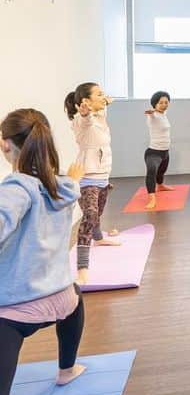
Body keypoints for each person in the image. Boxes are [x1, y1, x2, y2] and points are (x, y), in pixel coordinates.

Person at [0, 109, 89, 395]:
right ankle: (66, 369)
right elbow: (68, 183)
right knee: (77, 302)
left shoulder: (16, 189)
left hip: (14, 311)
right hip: (60, 298)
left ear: (6, 145)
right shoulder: (61, 186)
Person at [64, 82, 119, 287]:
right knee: (89, 216)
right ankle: (82, 270)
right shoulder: (80, 121)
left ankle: (99, 238)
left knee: (98, 213)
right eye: (99, 94)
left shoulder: (101, 116)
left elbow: (99, 114)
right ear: (85, 101)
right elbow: (85, 122)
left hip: (103, 176)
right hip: (87, 179)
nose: (103, 96)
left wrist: (104, 105)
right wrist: (86, 113)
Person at [142, 91, 174, 210]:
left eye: (166, 102)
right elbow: (152, 113)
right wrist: (151, 112)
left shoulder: (164, 113)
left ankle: (160, 186)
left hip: (165, 152)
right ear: (154, 104)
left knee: (161, 172)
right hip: (153, 153)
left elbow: (161, 110)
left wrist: (159, 109)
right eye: (160, 103)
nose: (164, 105)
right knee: (152, 171)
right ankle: (152, 198)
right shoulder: (153, 116)